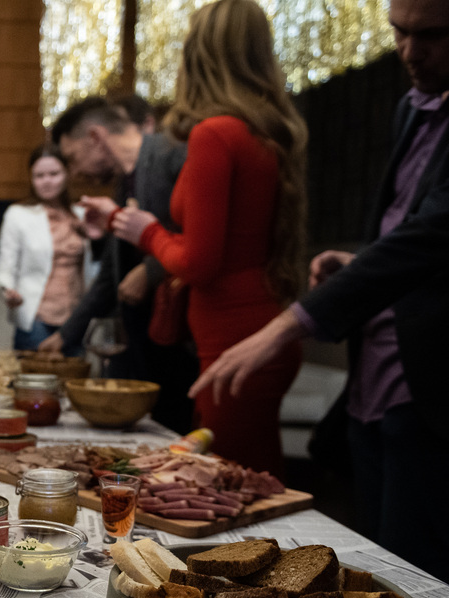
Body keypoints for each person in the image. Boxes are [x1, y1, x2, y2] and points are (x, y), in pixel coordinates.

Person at [188, 0, 449, 586]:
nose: (409, 52)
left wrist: (287, 324)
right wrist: (361, 264)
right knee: (372, 573)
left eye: (432, 35)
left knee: (422, 581)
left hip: (440, 382)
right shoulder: (412, 104)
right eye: (398, 32)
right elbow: (411, 235)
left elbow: (437, 232)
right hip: (374, 372)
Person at [91, 0, 309, 476]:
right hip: (263, 324)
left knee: (229, 485)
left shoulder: (216, 134)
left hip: (231, 337)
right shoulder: (264, 131)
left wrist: (146, 232)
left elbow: (199, 262)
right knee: (253, 477)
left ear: (199, 54)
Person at [40, 98, 198, 434]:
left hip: (185, 341)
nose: (74, 172)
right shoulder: (123, 185)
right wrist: (65, 335)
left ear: (95, 138)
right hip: (145, 346)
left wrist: (150, 271)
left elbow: (201, 237)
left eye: (72, 158)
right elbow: (110, 277)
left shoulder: (174, 154)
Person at [0, 143, 89, 351]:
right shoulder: (18, 215)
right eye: (39, 176)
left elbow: (93, 267)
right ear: (31, 178)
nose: (47, 181)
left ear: (67, 174)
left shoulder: (81, 215)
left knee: (78, 371)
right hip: (36, 318)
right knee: (35, 371)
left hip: (75, 319)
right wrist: (8, 291)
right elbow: (6, 268)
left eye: (54, 174)